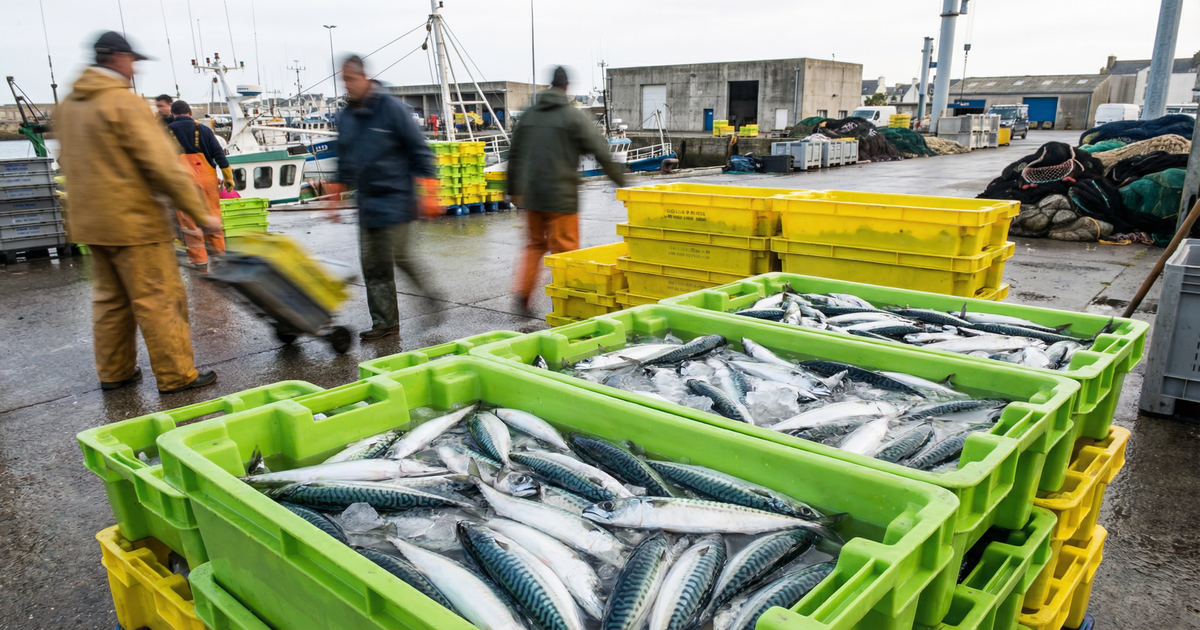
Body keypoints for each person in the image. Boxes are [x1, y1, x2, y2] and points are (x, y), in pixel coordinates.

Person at [55, 31, 218, 394]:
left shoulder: (69, 104)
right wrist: (199, 211)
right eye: (132, 61)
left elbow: (65, 159)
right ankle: (177, 376)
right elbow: (161, 164)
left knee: (112, 302)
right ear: (117, 59)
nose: (134, 69)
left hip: (92, 223)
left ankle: (115, 372)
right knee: (159, 299)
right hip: (134, 222)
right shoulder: (122, 103)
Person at [335, 55, 443, 341]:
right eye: (344, 80)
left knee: (399, 256)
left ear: (365, 77)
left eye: (352, 79)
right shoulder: (345, 116)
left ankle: (431, 295)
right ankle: (385, 323)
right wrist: (335, 196)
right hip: (368, 203)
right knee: (373, 265)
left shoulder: (391, 108)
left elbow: (419, 151)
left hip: (397, 198)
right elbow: (344, 161)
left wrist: (430, 194)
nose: (348, 85)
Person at [508, 66, 625, 314]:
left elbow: (515, 155)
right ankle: (570, 303)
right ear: (567, 87)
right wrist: (619, 179)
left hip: (532, 195)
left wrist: (513, 189)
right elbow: (599, 149)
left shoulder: (529, 114)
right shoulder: (572, 116)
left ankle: (523, 294)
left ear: (549, 85)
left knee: (535, 245)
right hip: (562, 197)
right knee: (566, 252)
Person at [168, 99, 234, 269]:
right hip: (207, 182)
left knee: (190, 224)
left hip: (182, 183)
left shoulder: (166, 132)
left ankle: (201, 266)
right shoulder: (204, 130)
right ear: (190, 113)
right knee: (212, 220)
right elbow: (219, 155)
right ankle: (220, 262)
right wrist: (228, 178)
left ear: (173, 115)